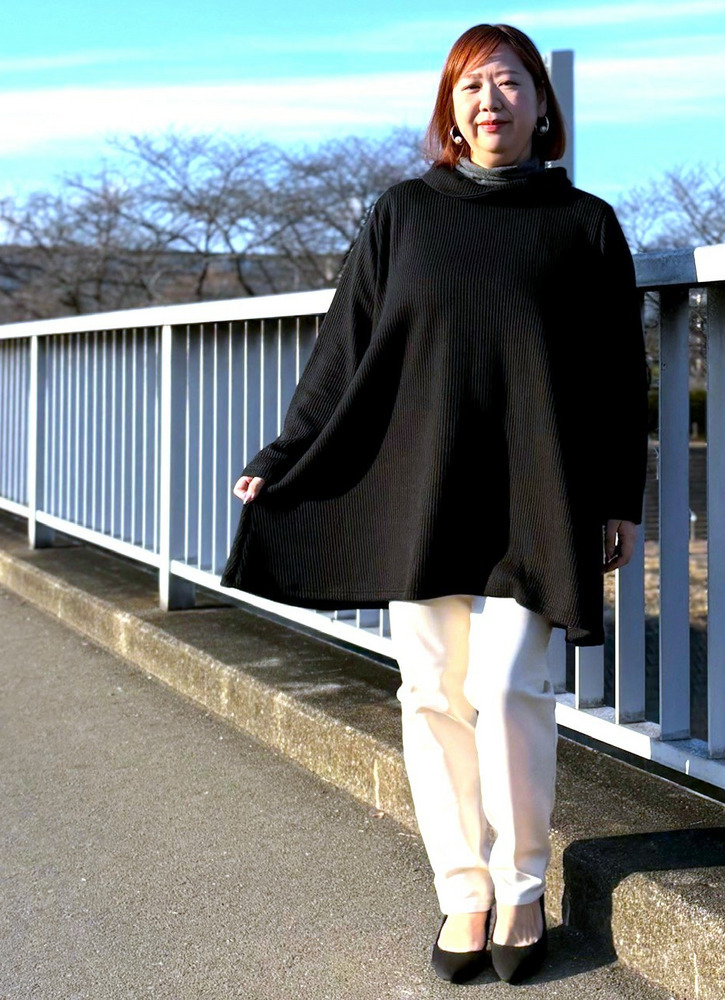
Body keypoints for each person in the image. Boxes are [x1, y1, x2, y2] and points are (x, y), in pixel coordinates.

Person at [221, 23, 648, 985]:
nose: (491, 101)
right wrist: (287, 453)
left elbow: (619, 374)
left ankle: (524, 885)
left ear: (542, 106)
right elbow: (347, 343)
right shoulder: (404, 213)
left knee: (509, 689)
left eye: (510, 83)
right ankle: (464, 892)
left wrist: (620, 495)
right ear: (450, 111)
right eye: (471, 87)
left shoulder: (584, 224)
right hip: (421, 482)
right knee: (430, 693)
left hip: (535, 491)